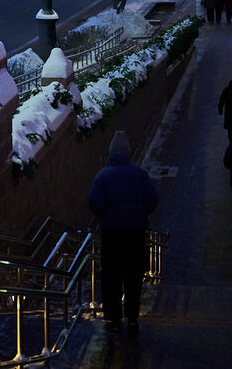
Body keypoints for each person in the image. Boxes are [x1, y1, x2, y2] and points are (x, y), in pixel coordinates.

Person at [88, 131, 159, 335]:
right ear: (128, 153)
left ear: (111, 153)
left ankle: (113, 317)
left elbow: (94, 203)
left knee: (111, 275)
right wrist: (140, 213)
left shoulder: (102, 176)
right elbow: (152, 199)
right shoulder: (140, 174)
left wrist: (106, 215)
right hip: (136, 232)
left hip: (112, 233)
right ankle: (132, 317)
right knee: (133, 275)